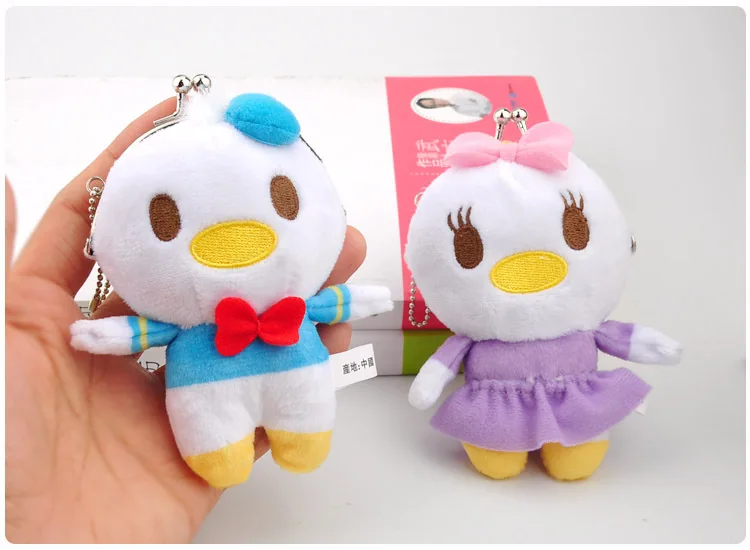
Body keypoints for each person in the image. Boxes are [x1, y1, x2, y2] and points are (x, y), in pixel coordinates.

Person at [4, 98, 367, 543]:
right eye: (165, 221)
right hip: (212, 387)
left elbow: (333, 303)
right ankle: (226, 453)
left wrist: (365, 300)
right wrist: (97, 334)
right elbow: (141, 331)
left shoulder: (294, 304)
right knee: (218, 449)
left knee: (304, 426)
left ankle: (300, 437)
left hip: (276, 364)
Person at [416, 92, 492, 118]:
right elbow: (481, 115)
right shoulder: (458, 111)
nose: (438, 104)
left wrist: (484, 110)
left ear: (435, 98)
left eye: (433, 102)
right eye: (433, 106)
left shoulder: (458, 96)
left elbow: (481, 99)